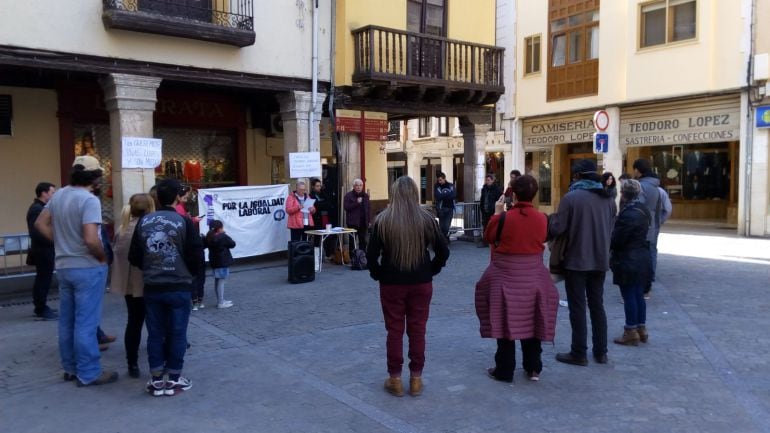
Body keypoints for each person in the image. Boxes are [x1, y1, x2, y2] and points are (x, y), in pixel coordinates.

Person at [34, 155, 118, 386]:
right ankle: (89, 372)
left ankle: (70, 368)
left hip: (64, 266)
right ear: (95, 177)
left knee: (67, 321)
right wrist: (102, 258)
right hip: (87, 266)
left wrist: (60, 243)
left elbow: (40, 223)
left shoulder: (59, 195)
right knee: (86, 323)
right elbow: (91, 239)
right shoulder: (89, 200)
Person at [366, 176, 449, 397]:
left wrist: (378, 274)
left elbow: (371, 255)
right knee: (418, 330)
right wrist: (431, 270)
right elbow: (443, 251)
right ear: (415, 193)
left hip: (392, 283)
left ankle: (395, 378)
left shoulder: (383, 220)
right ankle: (416, 378)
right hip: (421, 282)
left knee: (394, 330)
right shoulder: (426, 219)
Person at [475, 175, 559, 383]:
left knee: (504, 322)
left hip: (506, 275)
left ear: (514, 192)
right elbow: (543, 239)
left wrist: (496, 213)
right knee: (533, 318)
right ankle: (533, 368)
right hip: (533, 276)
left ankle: (504, 369)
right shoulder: (542, 218)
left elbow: (489, 237)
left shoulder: (503, 218)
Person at [128, 179, 204, 397]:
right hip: (179, 284)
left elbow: (134, 256)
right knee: (178, 331)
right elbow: (196, 254)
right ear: (175, 197)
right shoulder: (183, 221)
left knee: (155, 332)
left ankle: (156, 379)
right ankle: (173, 378)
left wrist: (152, 266)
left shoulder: (144, 221)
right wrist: (188, 273)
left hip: (153, 285)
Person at [548, 159, 616, 366]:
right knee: (597, 305)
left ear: (577, 176)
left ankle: (579, 352)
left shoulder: (572, 198)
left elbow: (558, 227)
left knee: (577, 307)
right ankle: (601, 351)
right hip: (600, 260)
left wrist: (549, 220)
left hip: (576, 260)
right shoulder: (608, 199)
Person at [111, 193, 155, 378]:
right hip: (150, 282)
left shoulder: (122, 230)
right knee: (155, 323)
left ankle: (132, 363)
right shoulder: (151, 229)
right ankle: (159, 362)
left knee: (134, 323)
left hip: (130, 284)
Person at [610, 179, 652, 346]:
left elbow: (618, 239)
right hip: (641, 256)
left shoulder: (628, 213)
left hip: (628, 258)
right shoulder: (643, 210)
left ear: (623, 194)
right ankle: (641, 328)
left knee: (629, 295)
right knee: (638, 294)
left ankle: (631, 331)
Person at [632, 159, 664, 298]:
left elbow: (637, 207)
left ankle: (643, 287)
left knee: (640, 256)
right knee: (651, 253)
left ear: (638, 170)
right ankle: (649, 282)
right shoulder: (656, 187)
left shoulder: (640, 186)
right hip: (654, 224)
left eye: (634, 169)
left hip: (642, 226)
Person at [26, 182, 57, 320]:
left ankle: (41, 306)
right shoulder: (36, 209)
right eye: (52, 192)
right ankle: (40, 307)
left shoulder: (41, 208)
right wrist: (52, 240)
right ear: (44, 193)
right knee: (43, 279)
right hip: (42, 250)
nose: (54, 195)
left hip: (45, 249)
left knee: (44, 278)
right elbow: (37, 232)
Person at [173, 186, 206, 310]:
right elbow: (183, 221)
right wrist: (193, 219)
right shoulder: (178, 208)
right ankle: (196, 299)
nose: (187, 198)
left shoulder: (180, 207)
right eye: (185, 196)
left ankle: (196, 299)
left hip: (190, 245)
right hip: (190, 247)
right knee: (196, 276)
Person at [204, 220, 236, 309]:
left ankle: (221, 300)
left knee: (218, 281)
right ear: (219, 229)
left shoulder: (209, 236)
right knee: (221, 282)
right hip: (222, 261)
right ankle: (221, 302)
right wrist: (225, 234)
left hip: (215, 262)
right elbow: (232, 244)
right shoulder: (223, 236)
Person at [344, 179, 371, 252]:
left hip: (363, 222)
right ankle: (352, 257)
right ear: (353, 186)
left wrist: (368, 221)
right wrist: (356, 202)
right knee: (352, 241)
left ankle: (362, 257)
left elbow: (368, 209)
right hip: (353, 223)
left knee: (363, 241)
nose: (358, 187)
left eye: (360, 185)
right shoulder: (348, 195)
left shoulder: (365, 196)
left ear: (362, 186)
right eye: (357, 185)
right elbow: (346, 207)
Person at [309, 178, 334, 257]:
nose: (319, 187)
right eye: (317, 186)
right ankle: (316, 256)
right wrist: (322, 204)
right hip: (317, 219)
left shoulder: (323, 194)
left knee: (327, 236)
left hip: (326, 218)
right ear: (313, 187)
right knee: (317, 238)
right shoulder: (311, 195)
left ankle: (328, 254)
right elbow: (317, 205)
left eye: (320, 186)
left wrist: (322, 203)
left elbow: (329, 204)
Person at [478, 174, 502, 248]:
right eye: (486, 180)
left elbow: (499, 199)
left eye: (489, 180)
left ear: (492, 180)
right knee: (485, 226)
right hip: (485, 210)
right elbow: (482, 199)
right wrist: (481, 207)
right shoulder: (484, 189)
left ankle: (494, 240)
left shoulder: (497, 189)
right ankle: (485, 241)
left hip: (493, 210)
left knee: (494, 226)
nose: (487, 181)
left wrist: (497, 209)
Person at [433, 172, 456, 243]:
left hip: (450, 208)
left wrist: (443, 195)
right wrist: (447, 195)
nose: (439, 182)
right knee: (442, 226)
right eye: (438, 180)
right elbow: (437, 196)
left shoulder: (451, 185)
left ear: (444, 179)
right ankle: (443, 240)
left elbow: (454, 195)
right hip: (441, 209)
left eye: (440, 180)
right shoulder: (437, 186)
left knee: (446, 226)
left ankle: (444, 239)